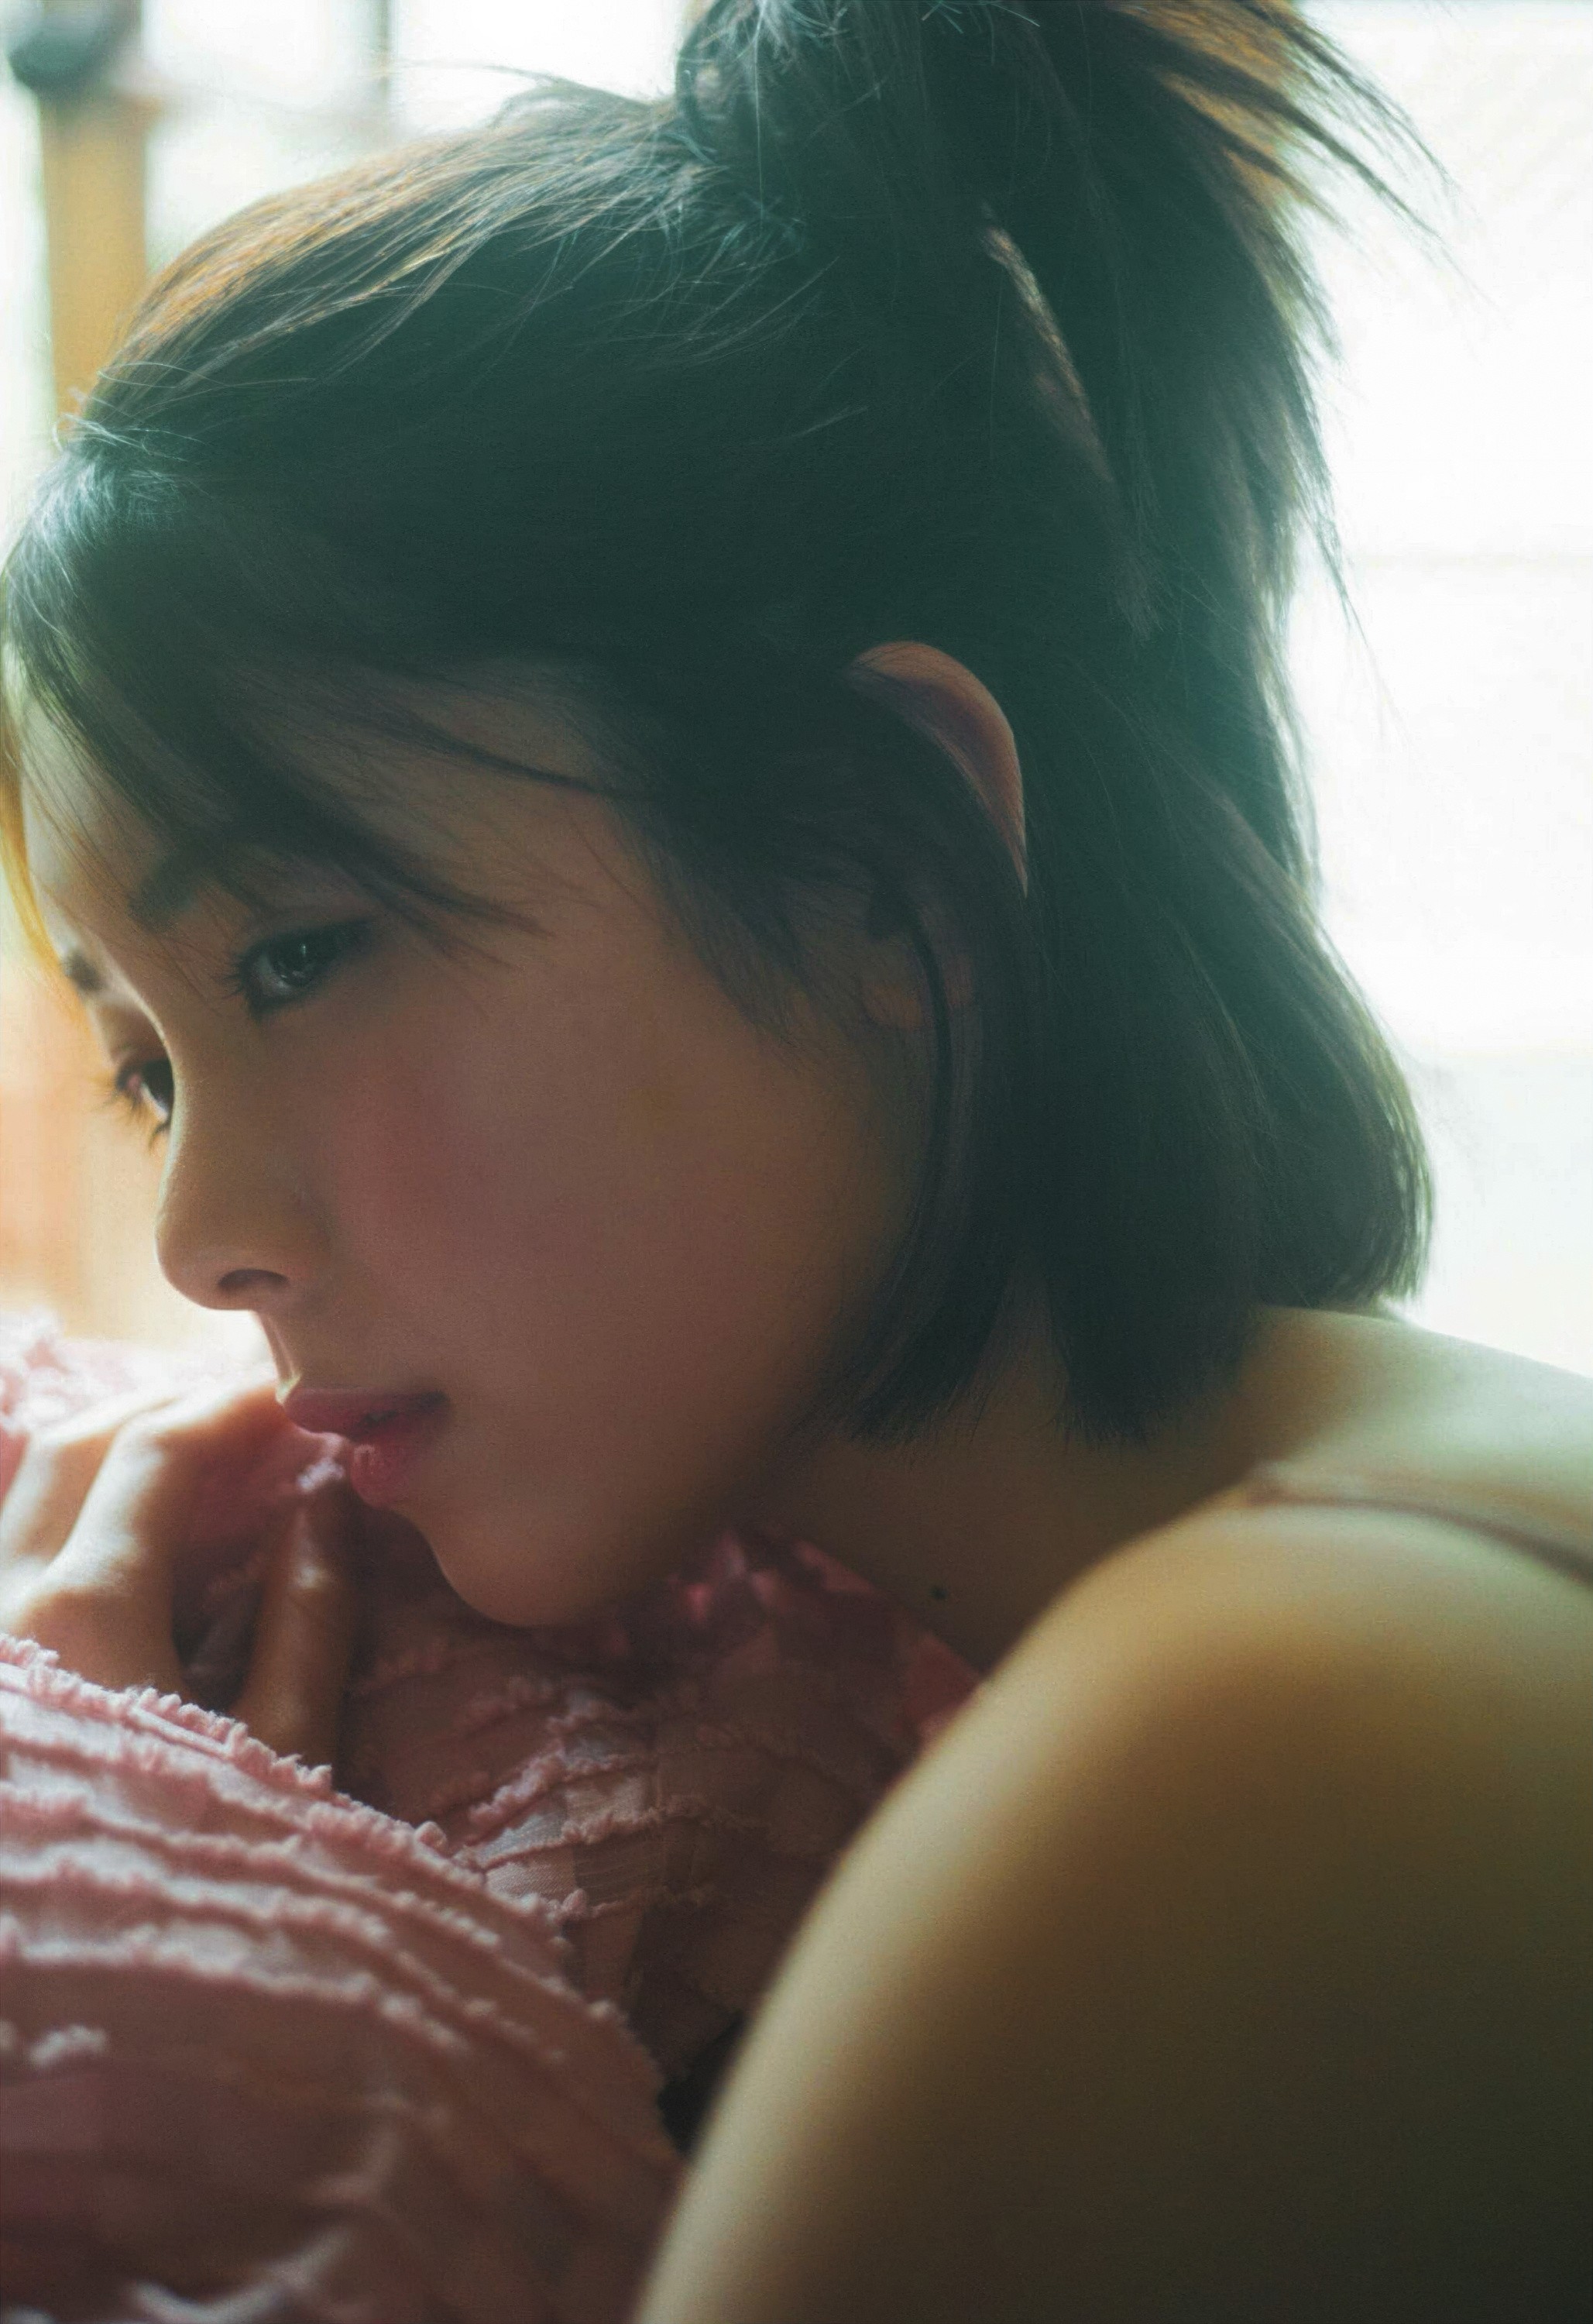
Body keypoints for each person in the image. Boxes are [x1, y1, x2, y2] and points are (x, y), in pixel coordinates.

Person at [0, 0, 1588, 2315]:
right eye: (148, 1066)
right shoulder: (1191, 1634)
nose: (200, 1239)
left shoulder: (1270, 1744)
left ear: (873, 858)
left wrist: (98, 1842)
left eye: (301, 956)